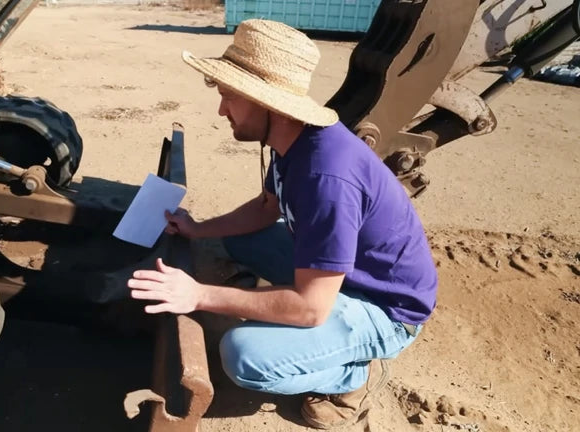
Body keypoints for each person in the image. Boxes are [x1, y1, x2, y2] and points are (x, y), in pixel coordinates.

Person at [127, 19, 438, 429]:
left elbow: (311, 307)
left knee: (243, 354)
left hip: (386, 308)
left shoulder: (326, 177)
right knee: (244, 240)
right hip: (342, 279)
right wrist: (197, 228)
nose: (221, 110)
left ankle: (352, 376)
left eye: (229, 97)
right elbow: (263, 209)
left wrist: (198, 295)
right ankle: (290, 317)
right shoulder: (292, 142)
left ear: (267, 103)